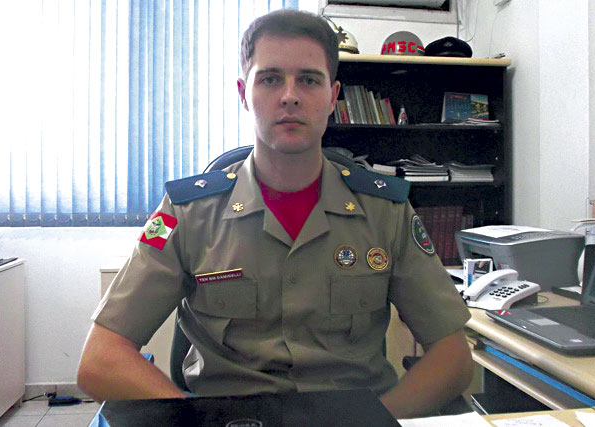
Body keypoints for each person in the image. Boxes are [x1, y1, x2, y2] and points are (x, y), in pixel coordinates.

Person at [77, 9, 473, 419]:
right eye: (269, 79)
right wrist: (195, 421)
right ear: (243, 93)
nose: (289, 96)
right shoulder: (189, 213)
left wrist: (379, 420)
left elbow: (453, 357)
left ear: (333, 96)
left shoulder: (384, 211)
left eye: (309, 80)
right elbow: (100, 359)